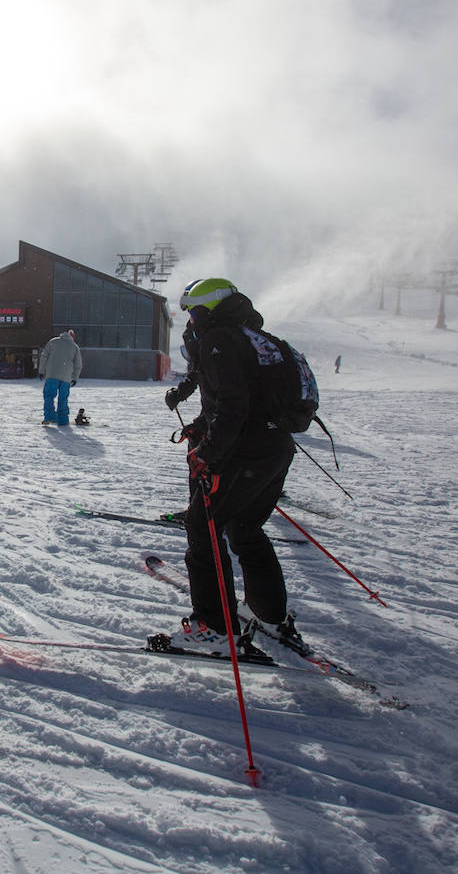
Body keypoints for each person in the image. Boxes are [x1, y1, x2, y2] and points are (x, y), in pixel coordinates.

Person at [167, 278, 297, 656]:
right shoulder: (259, 338)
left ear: (206, 309)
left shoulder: (217, 340)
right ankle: (270, 614)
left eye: (192, 311)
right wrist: (202, 429)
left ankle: (215, 628)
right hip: (276, 449)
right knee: (245, 528)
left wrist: (207, 453)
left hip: (242, 452)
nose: (190, 320)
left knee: (202, 528)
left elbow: (234, 405)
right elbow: (241, 401)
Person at [38, 329, 82, 426]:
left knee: (49, 396)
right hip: (66, 377)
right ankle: (63, 420)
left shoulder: (53, 342)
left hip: (52, 375)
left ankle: (49, 417)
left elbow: (44, 356)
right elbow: (78, 365)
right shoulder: (74, 347)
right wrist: (75, 378)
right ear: (72, 337)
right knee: (63, 398)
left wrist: (41, 371)